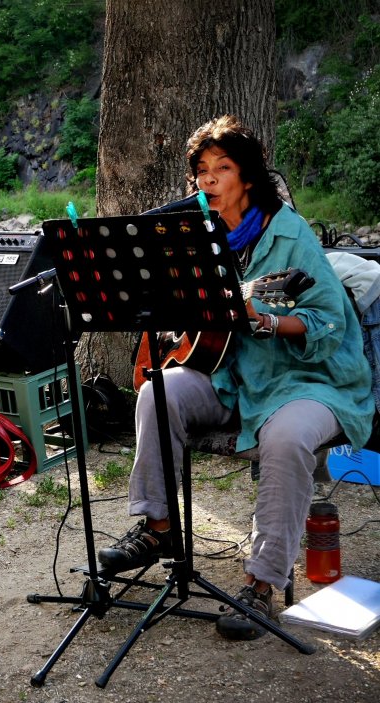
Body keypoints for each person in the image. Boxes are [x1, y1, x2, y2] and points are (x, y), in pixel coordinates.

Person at [97, 115, 373, 641]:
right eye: (202, 170)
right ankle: (158, 530)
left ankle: (262, 584)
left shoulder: (289, 235)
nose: (209, 179)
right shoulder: (196, 234)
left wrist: (264, 318)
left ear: (247, 176)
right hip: (231, 375)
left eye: (222, 168)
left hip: (308, 379)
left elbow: (327, 323)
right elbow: (179, 306)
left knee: (287, 437)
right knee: (162, 390)